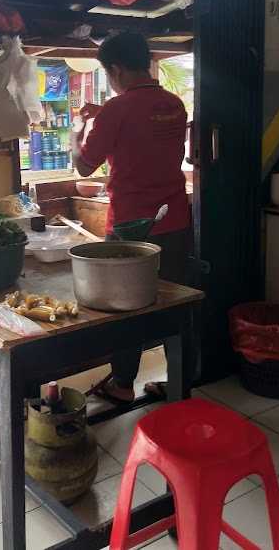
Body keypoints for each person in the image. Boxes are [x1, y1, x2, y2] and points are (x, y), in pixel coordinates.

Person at [72, 31, 190, 404]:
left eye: (108, 73)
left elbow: (84, 166)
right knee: (177, 305)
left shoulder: (116, 111)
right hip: (175, 220)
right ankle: (180, 385)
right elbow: (144, 133)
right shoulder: (174, 104)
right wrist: (104, 117)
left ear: (117, 69)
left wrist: (79, 133)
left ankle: (122, 384)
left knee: (125, 308)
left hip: (130, 228)